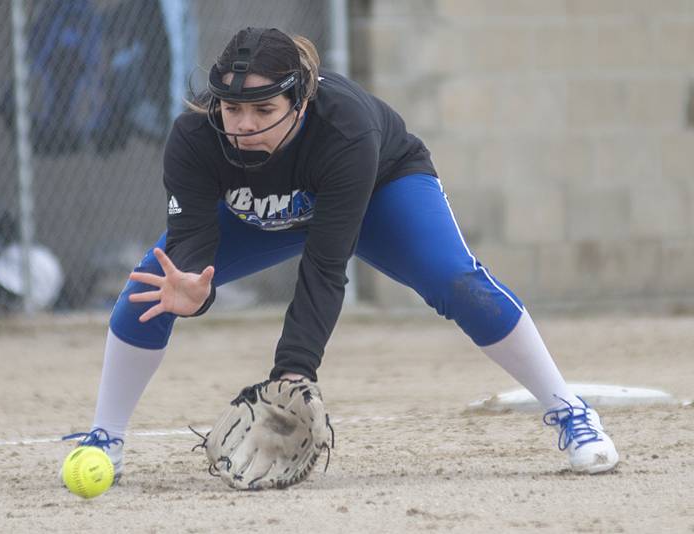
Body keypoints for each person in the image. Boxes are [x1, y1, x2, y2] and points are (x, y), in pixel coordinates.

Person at [61, 27, 619, 485]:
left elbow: (326, 267)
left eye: (263, 109)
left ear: (300, 101)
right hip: (262, 213)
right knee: (149, 292)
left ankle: (570, 411)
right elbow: (191, 238)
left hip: (377, 193)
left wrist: (291, 377)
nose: (244, 125)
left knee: (457, 282)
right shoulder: (195, 137)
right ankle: (106, 435)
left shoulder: (344, 129)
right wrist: (194, 288)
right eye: (232, 108)